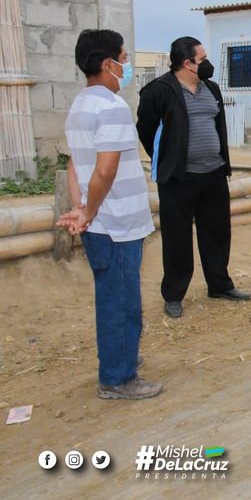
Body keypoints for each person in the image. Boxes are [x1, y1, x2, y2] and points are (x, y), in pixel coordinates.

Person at [58, 29, 161, 399]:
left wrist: (81, 209)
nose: (127, 65)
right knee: (122, 302)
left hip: (99, 223)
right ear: (107, 63)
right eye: (124, 58)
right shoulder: (112, 106)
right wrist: (89, 210)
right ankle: (118, 379)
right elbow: (105, 169)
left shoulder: (80, 105)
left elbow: (75, 165)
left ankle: (120, 359)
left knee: (111, 296)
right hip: (117, 223)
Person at [136, 37, 251, 318]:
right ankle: (174, 294)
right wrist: (169, 158)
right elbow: (146, 130)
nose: (208, 64)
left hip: (213, 174)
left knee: (217, 233)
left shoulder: (211, 88)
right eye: (203, 59)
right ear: (187, 63)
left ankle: (220, 285)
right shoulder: (158, 91)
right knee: (177, 238)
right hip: (179, 179)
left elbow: (217, 125)